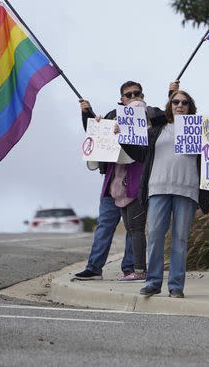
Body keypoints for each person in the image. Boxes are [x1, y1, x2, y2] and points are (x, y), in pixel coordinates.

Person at [121, 85, 209, 298]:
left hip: (187, 190)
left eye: (184, 102)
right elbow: (139, 153)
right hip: (158, 188)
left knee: (180, 239)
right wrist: (123, 135)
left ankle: (176, 286)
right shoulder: (156, 130)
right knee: (154, 236)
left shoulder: (200, 130)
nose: (180, 105)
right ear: (169, 106)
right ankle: (153, 282)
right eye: (176, 102)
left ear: (191, 107)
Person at [74, 80, 161, 281]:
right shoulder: (113, 116)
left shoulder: (152, 114)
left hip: (136, 183)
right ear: (121, 99)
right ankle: (94, 267)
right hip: (113, 183)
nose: (133, 97)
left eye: (136, 93)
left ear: (143, 95)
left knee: (133, 229)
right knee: (104, 226)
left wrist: (171, 94)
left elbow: (169, 118)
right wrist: (87, 113)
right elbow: (95, 134)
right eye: (128, 95)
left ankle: (131, 267)